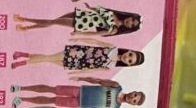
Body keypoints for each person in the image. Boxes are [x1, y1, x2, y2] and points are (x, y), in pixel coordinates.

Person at [11, 80, 144, 108]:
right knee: (52, 90)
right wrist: (83, 78)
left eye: (134, 101)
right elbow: (99, 81)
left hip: (79, 104)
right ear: (134, 91)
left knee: (52, 100)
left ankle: (22, 99)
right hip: (79, 91)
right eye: (135, 95)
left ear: (132, 104)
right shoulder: (116, 86)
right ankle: (21, 88)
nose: (132, 98)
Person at [13, 5, 142, 36]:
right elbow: (100, 10)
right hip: (81, 14)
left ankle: (24, 20)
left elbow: (96, 34)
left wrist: (79, 33)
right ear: (129, 16)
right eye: (132, 20)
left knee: (52, 22)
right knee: (53, 21)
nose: (130, 22)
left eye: (132, 25)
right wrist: (90, 7)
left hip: (81, 23)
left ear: (129, 28)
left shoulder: (114, 30)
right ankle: (26, 27)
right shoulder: (115, 14)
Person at [11, 45, 144, 71]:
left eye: (130, 61)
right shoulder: (113, 49)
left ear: (129, 64)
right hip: (77, 53)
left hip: (78, 64)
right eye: (130, 55)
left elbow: (94, 69)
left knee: (48, 59)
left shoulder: (111, 66)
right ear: (129, 51)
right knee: (47, 58)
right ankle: (22, 62)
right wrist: (79, 38)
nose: (127, 57)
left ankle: (22, 54)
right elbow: (95, 43)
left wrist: (79, 73)